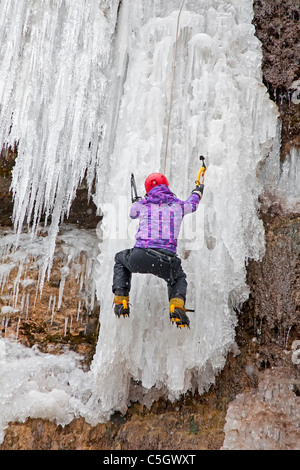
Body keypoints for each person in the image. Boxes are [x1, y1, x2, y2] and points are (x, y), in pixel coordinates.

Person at [112, 172, 204, 328]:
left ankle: (121, 299)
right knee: (178, 278)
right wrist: (198, 190)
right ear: (167, 186)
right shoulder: (179, 205)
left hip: (140, 256)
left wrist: (139, 201)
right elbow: (193, 204)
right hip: (166, 260)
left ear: (148, 189)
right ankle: (176, 306)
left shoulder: (143, 204)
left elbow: (132, 213)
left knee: (120, 259)